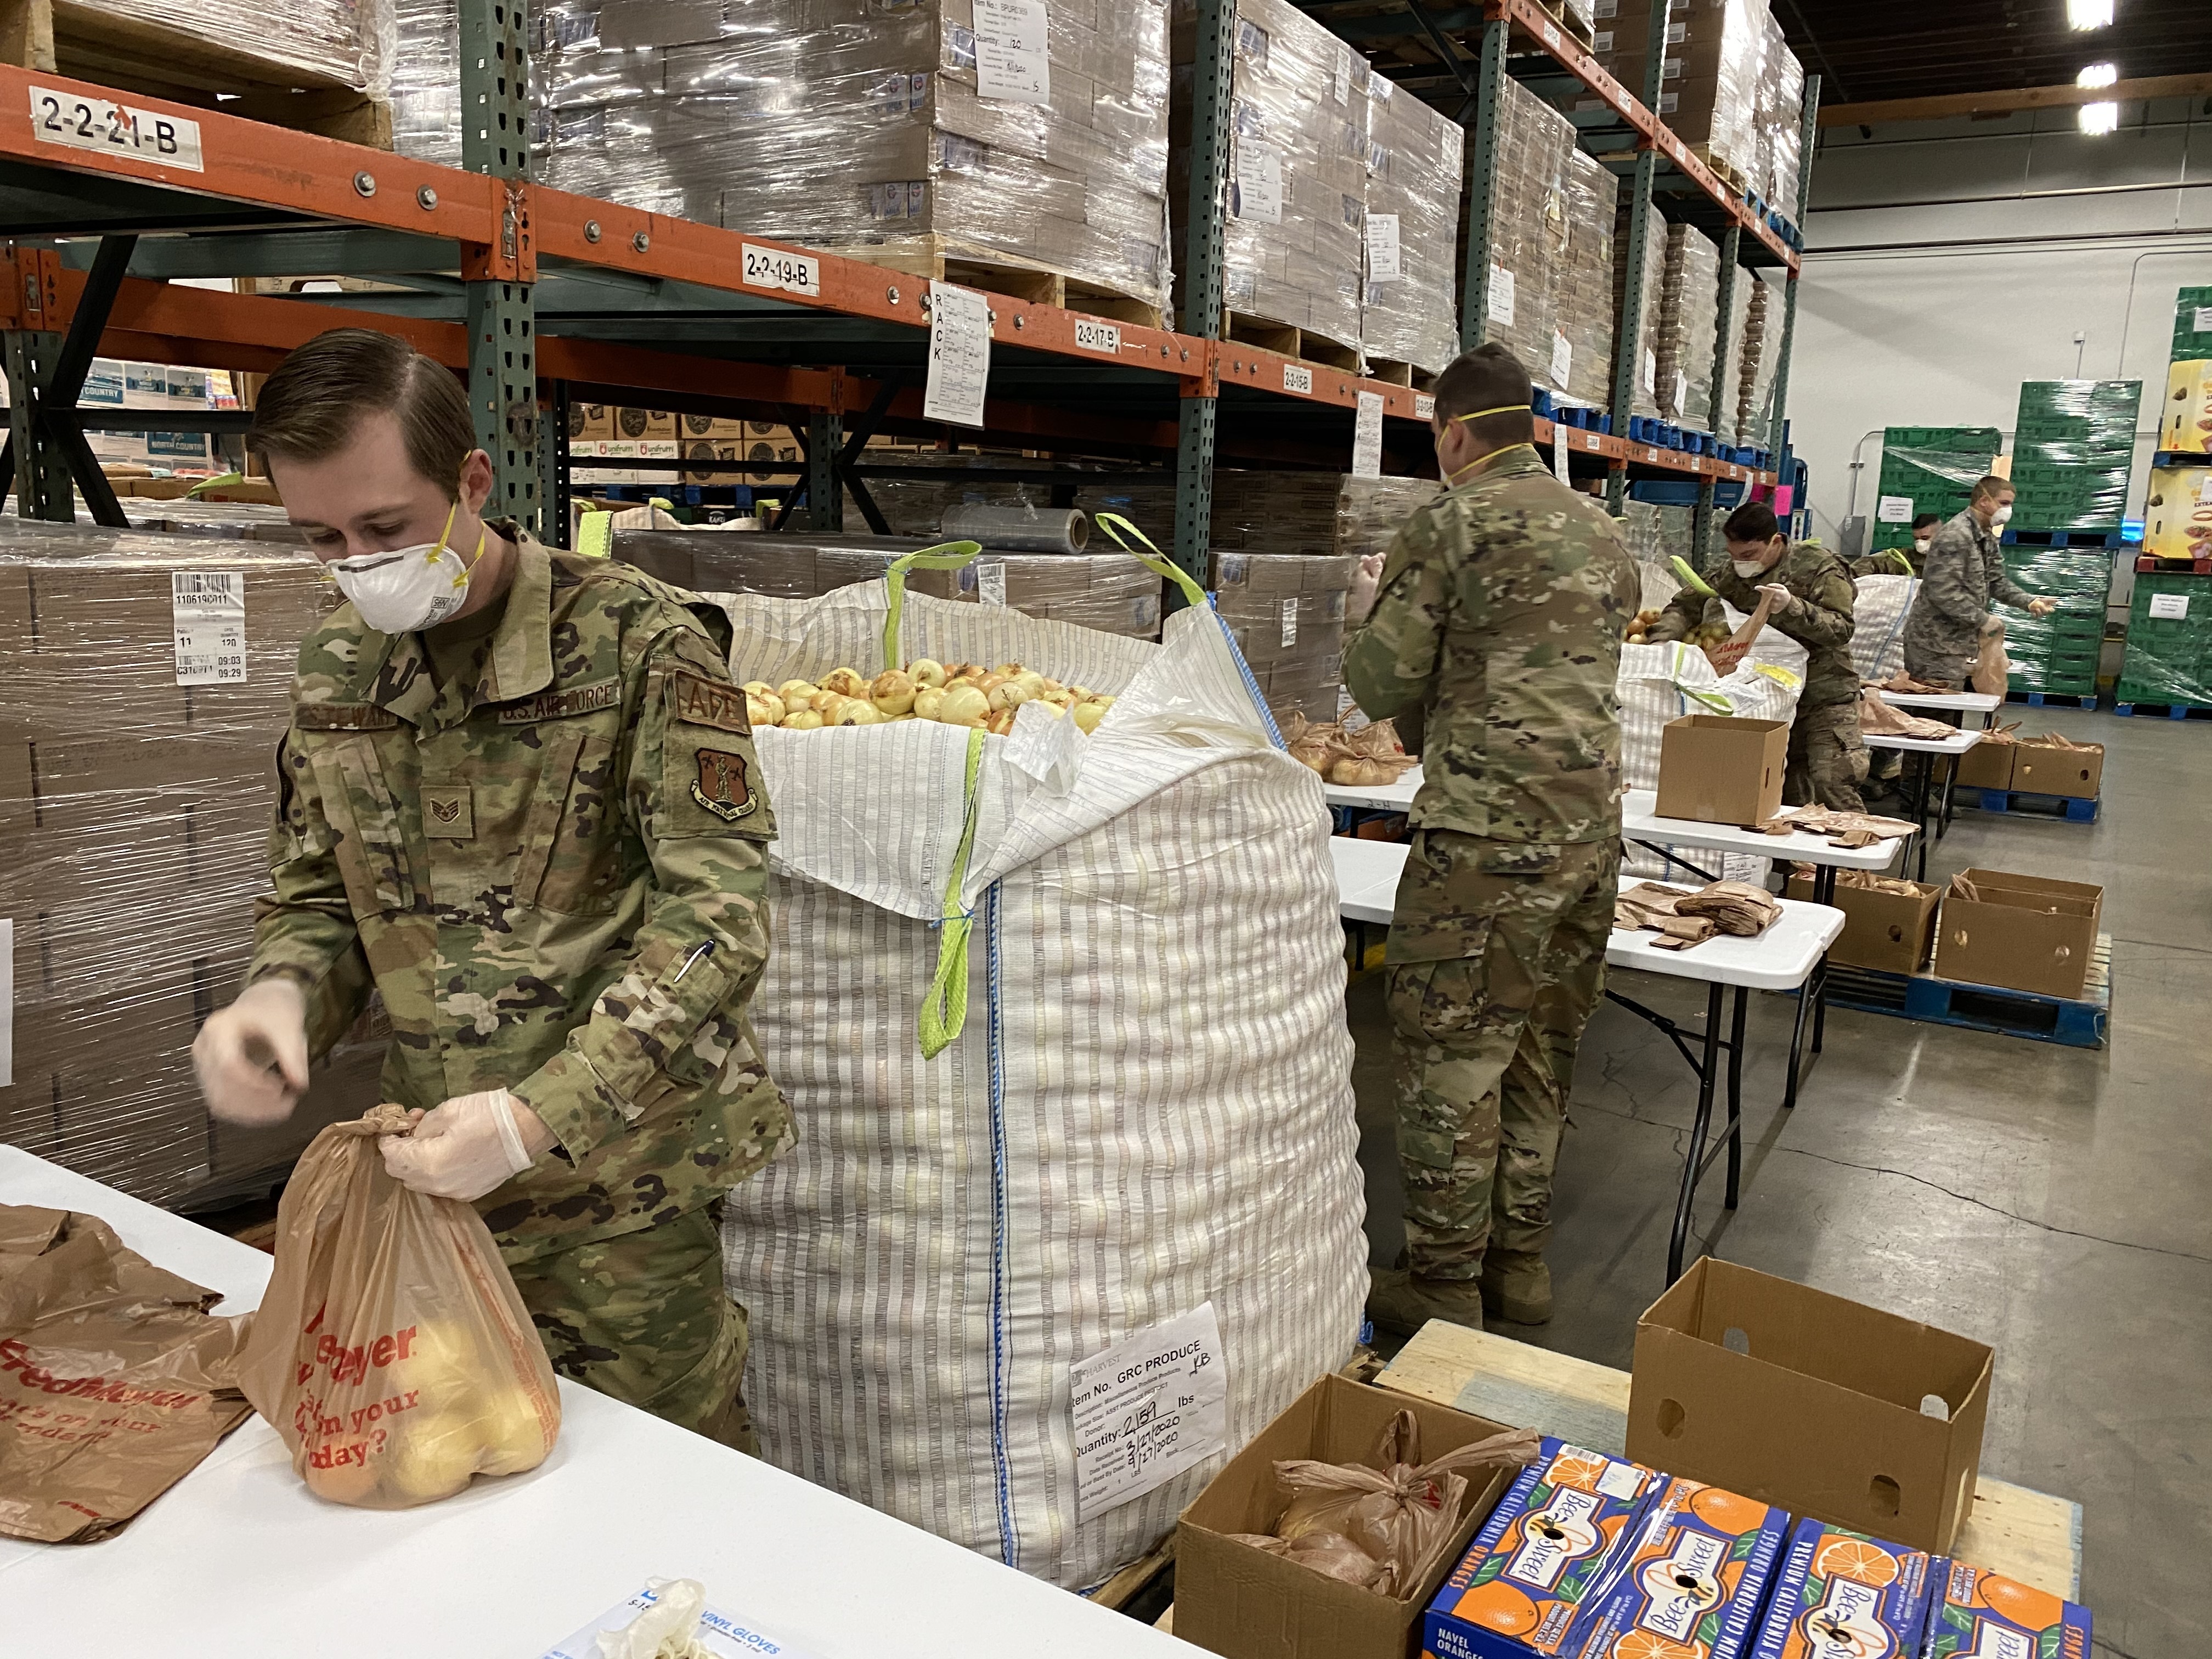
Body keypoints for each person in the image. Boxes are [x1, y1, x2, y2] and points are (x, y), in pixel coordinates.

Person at [190, 329, 791, 1448]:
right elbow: (322, 892)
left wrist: (533, 1121)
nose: (358, 562)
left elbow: (716, 921)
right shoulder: (339, 669)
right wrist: (280, 996)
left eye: (384, 529)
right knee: (461, 1484)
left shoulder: (637, 647)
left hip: (624, 1195)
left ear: (472, 482)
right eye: (321, 538)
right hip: (435, 1175)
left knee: (661, 1492)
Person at [1341, 342, 1639, 1335]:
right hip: (1589, 838)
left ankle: (1441, 1285)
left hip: (1480, 845)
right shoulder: (1603, 530)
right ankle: (1521, 1265)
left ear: (1454, 433)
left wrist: (1364, 608)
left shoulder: (1451, 520)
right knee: (1541, 1047)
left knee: (1449, 1058)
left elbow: (1381, 686)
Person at [1646, 501, 1866, 811]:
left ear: (1775, 541)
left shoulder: (1818, 567)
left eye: (1749, 556)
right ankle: (1789, 860)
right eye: (1734, 556)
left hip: (1823, 693)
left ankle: (1854, 854)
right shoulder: (1731, 574)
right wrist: (1663, 642)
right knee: (1779, 790)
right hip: (1768, 695)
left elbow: (1842, 628)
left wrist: (1792, 607)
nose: (1741, 564)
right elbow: (1685, 605)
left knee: (1833, 780)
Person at [1901, 475, 2056, 689]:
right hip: (1934, 645)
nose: (2008, 510)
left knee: (1951, 711)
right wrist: (1982, 619)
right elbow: (1943, 592)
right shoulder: (1956, 535)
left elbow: (1995, 581)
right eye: (2004, 504)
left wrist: (2029, 601)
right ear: (1984, 501)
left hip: (1958, 643)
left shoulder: (1984, 536)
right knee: (1933, 712)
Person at [1849, 512, 1940, 578]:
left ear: (1941, 535)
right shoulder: (1905, 559)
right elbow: (1870, 563)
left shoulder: (1951, 561)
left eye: (1925, 538)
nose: (1920, 543)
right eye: (1916, 539)